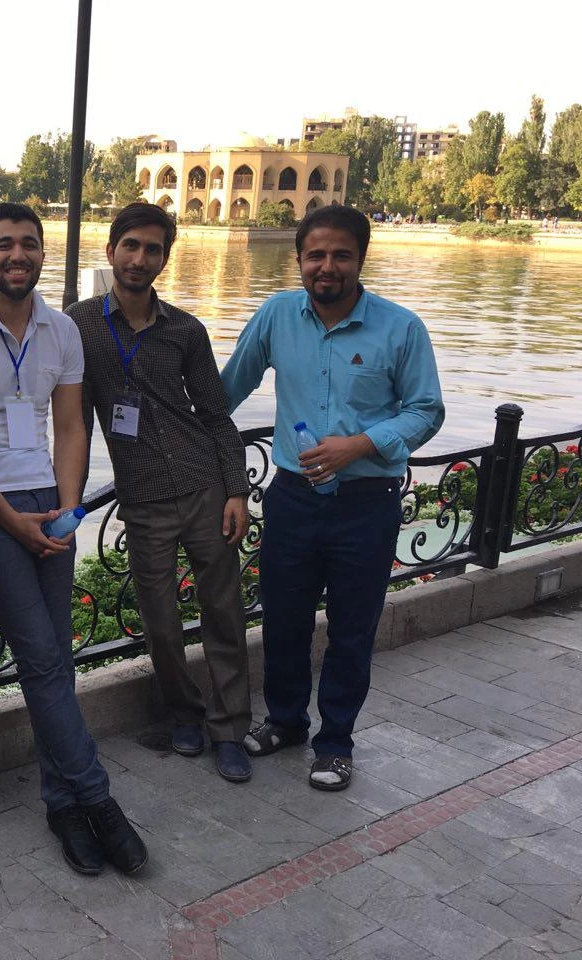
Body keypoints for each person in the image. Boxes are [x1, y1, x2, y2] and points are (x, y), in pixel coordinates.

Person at [222, 205, 444, 791]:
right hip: (293, 498)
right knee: (283, 619)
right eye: (315, 255)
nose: (327, 266)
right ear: (298, 259)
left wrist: (361, 445)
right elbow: (226, 391)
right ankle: (286, 720)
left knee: (352, 628)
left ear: (361, 259)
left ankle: (336, 742)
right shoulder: (277, 315)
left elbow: (427, 410)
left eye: (340, 255)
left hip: (366, 502)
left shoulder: (401, 328)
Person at [0, 203, 147, 876]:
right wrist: (8, 517)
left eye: (29, 244)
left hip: (49, 504)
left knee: (56, 662)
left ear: (43, 253)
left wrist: (69, 509)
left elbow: (70, 427)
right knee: (41, 655)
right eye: (4, 245)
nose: (18, 255)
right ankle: (98, 799)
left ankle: (61, 803)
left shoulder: (61, 329)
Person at [67, 202, 253, 783]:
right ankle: (184, 714)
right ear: (111, 251)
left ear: (164, 259)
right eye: (131, 246)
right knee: (161, 622)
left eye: (152, 249)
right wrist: (67, 496)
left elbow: (216, 415)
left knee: (223, 612)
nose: (139, 258)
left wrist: (236, 490)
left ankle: (230, 729)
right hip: (143, 497)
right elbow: (73, 420)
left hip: (204, 487)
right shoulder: (78, 325)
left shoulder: (186, 330)